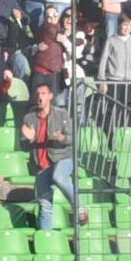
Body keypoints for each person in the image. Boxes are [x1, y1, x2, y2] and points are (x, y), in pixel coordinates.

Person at [19, 81, 82, 232]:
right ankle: (46, 239)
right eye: (38, 94)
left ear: (50, 96)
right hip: (42, 165)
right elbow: (23, 146)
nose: (40, 97)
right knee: (45, 205)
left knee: (59, 177)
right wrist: (29, 139)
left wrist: (62, 138)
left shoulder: (61, 114)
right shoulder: (29, 118)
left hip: (63, 157)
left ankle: (80, 208)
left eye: (43, 93)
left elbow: (73, 138)